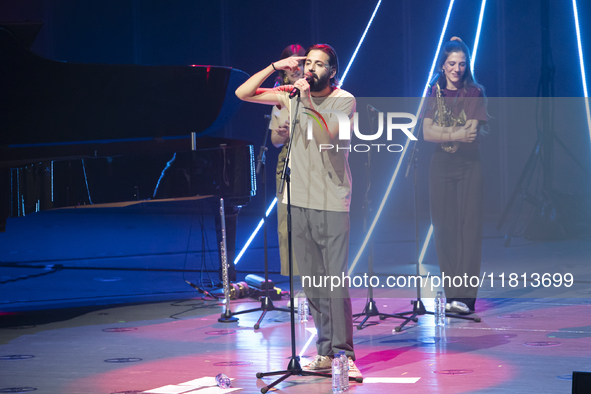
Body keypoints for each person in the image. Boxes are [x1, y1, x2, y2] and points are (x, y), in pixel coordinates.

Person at [235, 44, 361, 378]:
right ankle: (323, 352)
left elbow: (326, 137)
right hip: (297, 201)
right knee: (314, 283)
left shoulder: (344, 101)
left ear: (332, 71)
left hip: (332, 202)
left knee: (335, 282)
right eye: (308, 63)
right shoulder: (290, 94)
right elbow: (243, 92)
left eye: (319, 64)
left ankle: (344, 355)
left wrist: (304, 101)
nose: (311, 69)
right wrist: (275, 65)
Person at [422, 37, 488, 314]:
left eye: (462, 64)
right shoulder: (433, 91)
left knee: (468, 230)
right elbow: (426, 133)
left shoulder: (475, 92)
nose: (457, 69)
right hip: (441, 165)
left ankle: (466, 298)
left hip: (469, 164)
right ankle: (452, 295)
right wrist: (452, 134)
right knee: (444, 229)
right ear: (443, 65)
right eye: (452, 63)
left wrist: (445, 134)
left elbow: (470, 134)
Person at [269, 44, 306, 277]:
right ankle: (296, 286)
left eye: (299, 63)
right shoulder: (280, 95)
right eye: (290, 64)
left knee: (310, 225)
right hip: (287, 160)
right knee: (287, 226)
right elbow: (274, 139)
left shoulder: (318, 91)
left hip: (312, 159)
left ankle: (317, 285)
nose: (295, 67)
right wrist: (282, 134)